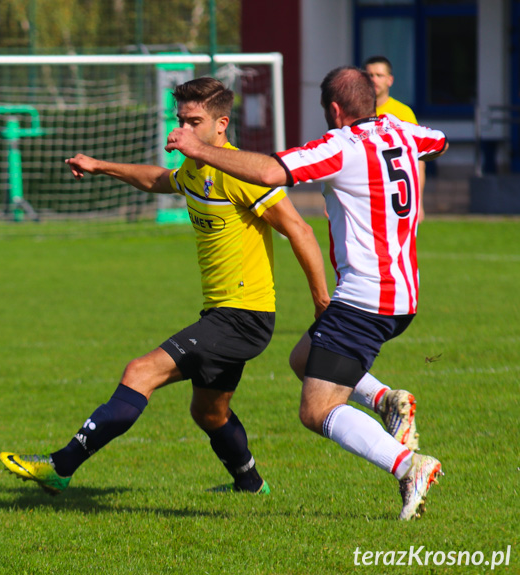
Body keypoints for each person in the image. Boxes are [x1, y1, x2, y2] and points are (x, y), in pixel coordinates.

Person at [0, 77, 330, 497]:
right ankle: (250, 484)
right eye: (181, 120)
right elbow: (159, 180)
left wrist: (322, 301)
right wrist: (101, 165)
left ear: (221, 124)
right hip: (225, 313)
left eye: (195, 122)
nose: (184, 130)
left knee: (141, 371)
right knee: (209, 412)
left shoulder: (241, 172)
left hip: (244, 314)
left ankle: (60, 466)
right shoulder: (195, 167)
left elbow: (299, 229)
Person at [164, 66, 448, 520]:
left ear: (334, 110)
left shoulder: (341, 146)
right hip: (403, 296)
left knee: (317, 410)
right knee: (303, 358)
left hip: (365, 299)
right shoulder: (403, 131)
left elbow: (272, 171)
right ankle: (388, 403)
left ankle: (408, 465)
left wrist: (198, 149)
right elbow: (440, 142)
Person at [364, 55, 427, 218]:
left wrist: (418, 201)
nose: (374, 80)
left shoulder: (403, 113)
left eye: (379, 75)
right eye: (369, 75)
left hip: (395, 193)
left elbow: (418, 159)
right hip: (364, 192)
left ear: (389, 80)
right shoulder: (354, 112)